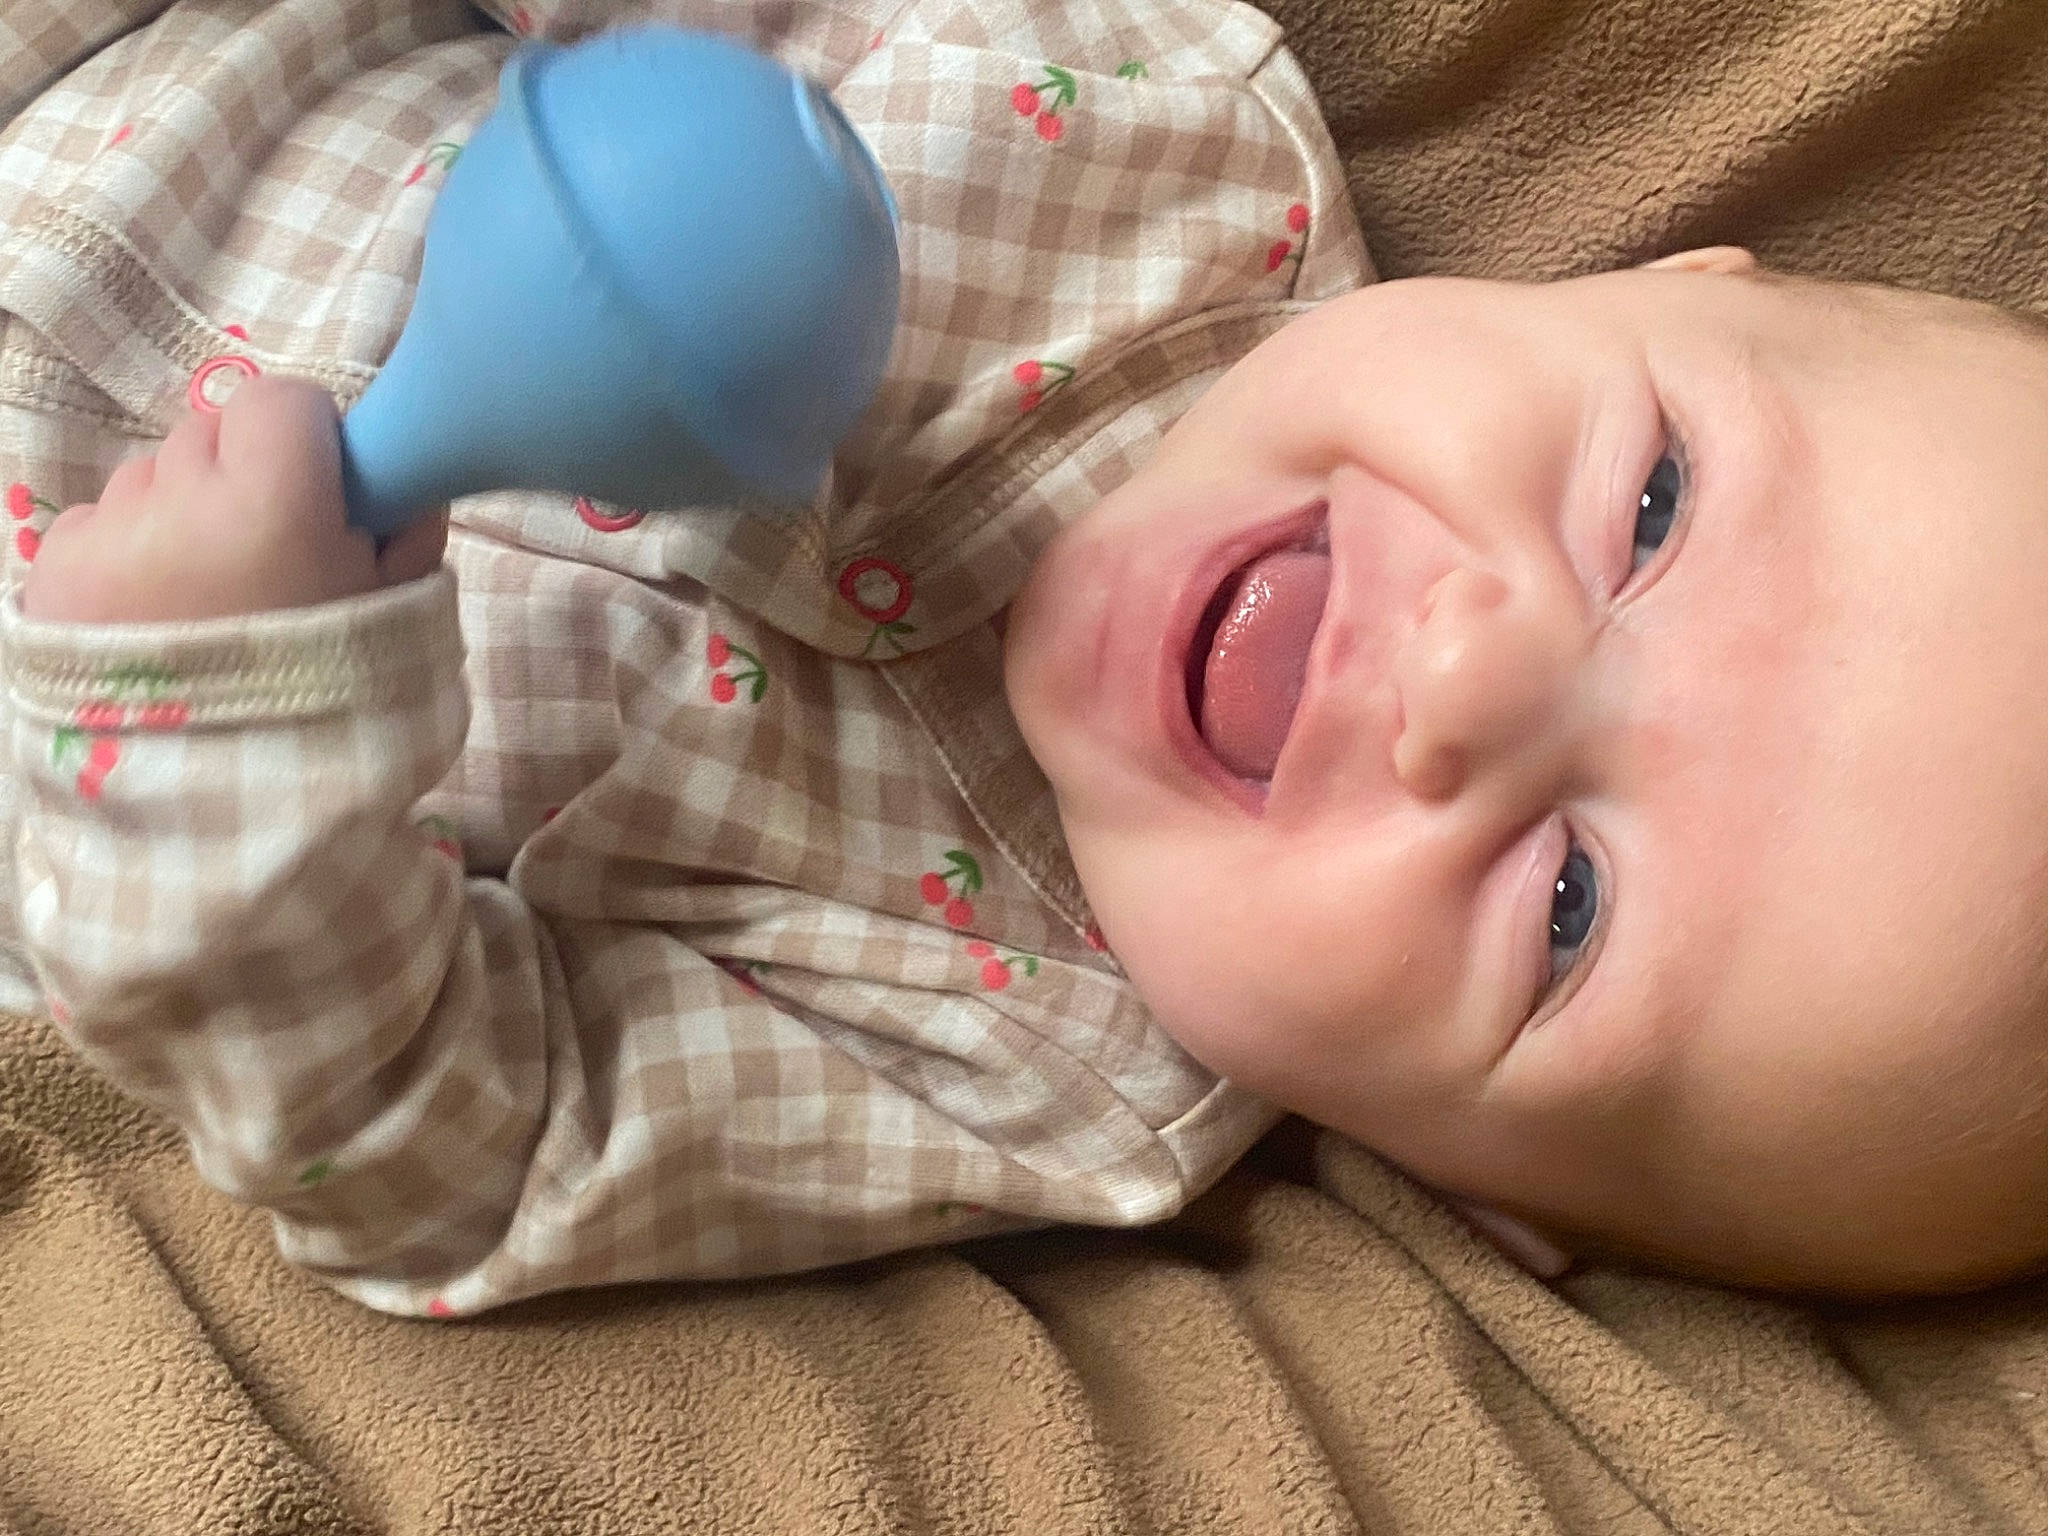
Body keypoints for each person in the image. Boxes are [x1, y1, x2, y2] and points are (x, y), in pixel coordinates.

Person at [4, 0, 2045, 1317]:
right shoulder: (1153, 130)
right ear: (1650, 280)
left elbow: (442, 1143)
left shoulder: (1040, 1075)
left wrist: (219, 710)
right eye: (1651, 509)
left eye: (1571, 911)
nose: (1464, 681)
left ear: (1482, 1191)